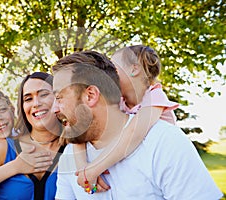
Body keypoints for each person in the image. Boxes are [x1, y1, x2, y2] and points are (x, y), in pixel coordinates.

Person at [52, 55, 223, 199]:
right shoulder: (70, 156)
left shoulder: (164, 142)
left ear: (90, 96)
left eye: (59, 97)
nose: (54, 109)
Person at [62, 46, 180, 190]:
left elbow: (133, 134)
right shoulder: (119, 100)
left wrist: (95, 168)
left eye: (114, 69)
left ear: (134, 69)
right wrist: (83, 169)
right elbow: (82, 127)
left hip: (159, 166)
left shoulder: (154, 96)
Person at [0, 72, 66, 199]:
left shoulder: (75, 148)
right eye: (28, 99)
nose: (36, 103)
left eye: (44, 94)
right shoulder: (3, 148)